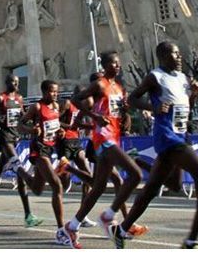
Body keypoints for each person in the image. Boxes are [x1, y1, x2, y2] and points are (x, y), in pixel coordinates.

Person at [114, 42, 198, 250]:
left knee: (161, 188)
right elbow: (132, 99)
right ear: (162, 56)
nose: (179, 57)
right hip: (168, 137)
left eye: (179, 53)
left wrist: (194, 95)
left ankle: (122, 229)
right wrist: (153, 107)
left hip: (182, 133)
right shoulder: (155, 76)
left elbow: (186, 107)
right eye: (175, 53)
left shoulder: (183, 78)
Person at [62, 51, 143, 248]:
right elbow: (75, 101)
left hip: (114, 136)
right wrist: (94, 117)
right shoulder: (100, 84)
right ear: (105, 65)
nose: (117, 66)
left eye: (118, 64)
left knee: (98, 189)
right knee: (135, 174)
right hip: (102, 138)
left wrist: (126, 114)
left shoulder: (119, 88)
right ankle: (109, 217)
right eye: (113, 63)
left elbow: (119, 111)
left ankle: (71, 227)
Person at [15, 80, 76, 247]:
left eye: (56, 92)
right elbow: (20, 125)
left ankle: (18, 170)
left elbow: (55, 126)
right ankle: (61, 231)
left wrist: (61, 131)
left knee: (37, 189)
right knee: (57, 186)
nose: (54, 94)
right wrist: (31, 130)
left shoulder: (57, 107)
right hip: (38, 150)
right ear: (43, 92)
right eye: (51, 91)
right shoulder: (36, 107)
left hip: (50, 149)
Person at [0, 74, 42, 227]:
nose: (16, 84)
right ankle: (29, 215)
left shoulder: (19, 98)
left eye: (18, 82)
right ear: (7, 82)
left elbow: (23, 116)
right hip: (5, 138)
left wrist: (31, 122)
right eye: (13, 81)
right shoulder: (0, 98)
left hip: (16, 137)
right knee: (19, 169)